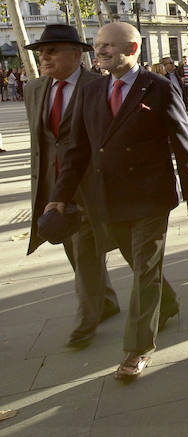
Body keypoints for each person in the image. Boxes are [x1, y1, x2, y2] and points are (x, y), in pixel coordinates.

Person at [46, 22, 188, 382]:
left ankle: (137, 349)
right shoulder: (91, 91)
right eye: (98, 45)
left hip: (150, 196)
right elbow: (77, 150)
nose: (100, 51)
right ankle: (168, 303)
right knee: (138, 263)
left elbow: (182, 140)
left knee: (146, 267)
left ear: (133, 50)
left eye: (108, 46)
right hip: (107, 199)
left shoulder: (159, 87)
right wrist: (60, 195)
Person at [24, 25, 120, 347]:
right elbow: (42, 141)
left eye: (51, 50)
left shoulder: (100, 86)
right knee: (72, 249)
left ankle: (85, 323)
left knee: (87, 251)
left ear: (77, 54)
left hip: (91, 184)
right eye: (41, 51)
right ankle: (107, 302)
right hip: (54, 186)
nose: (43, 56)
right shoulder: (34, 89)